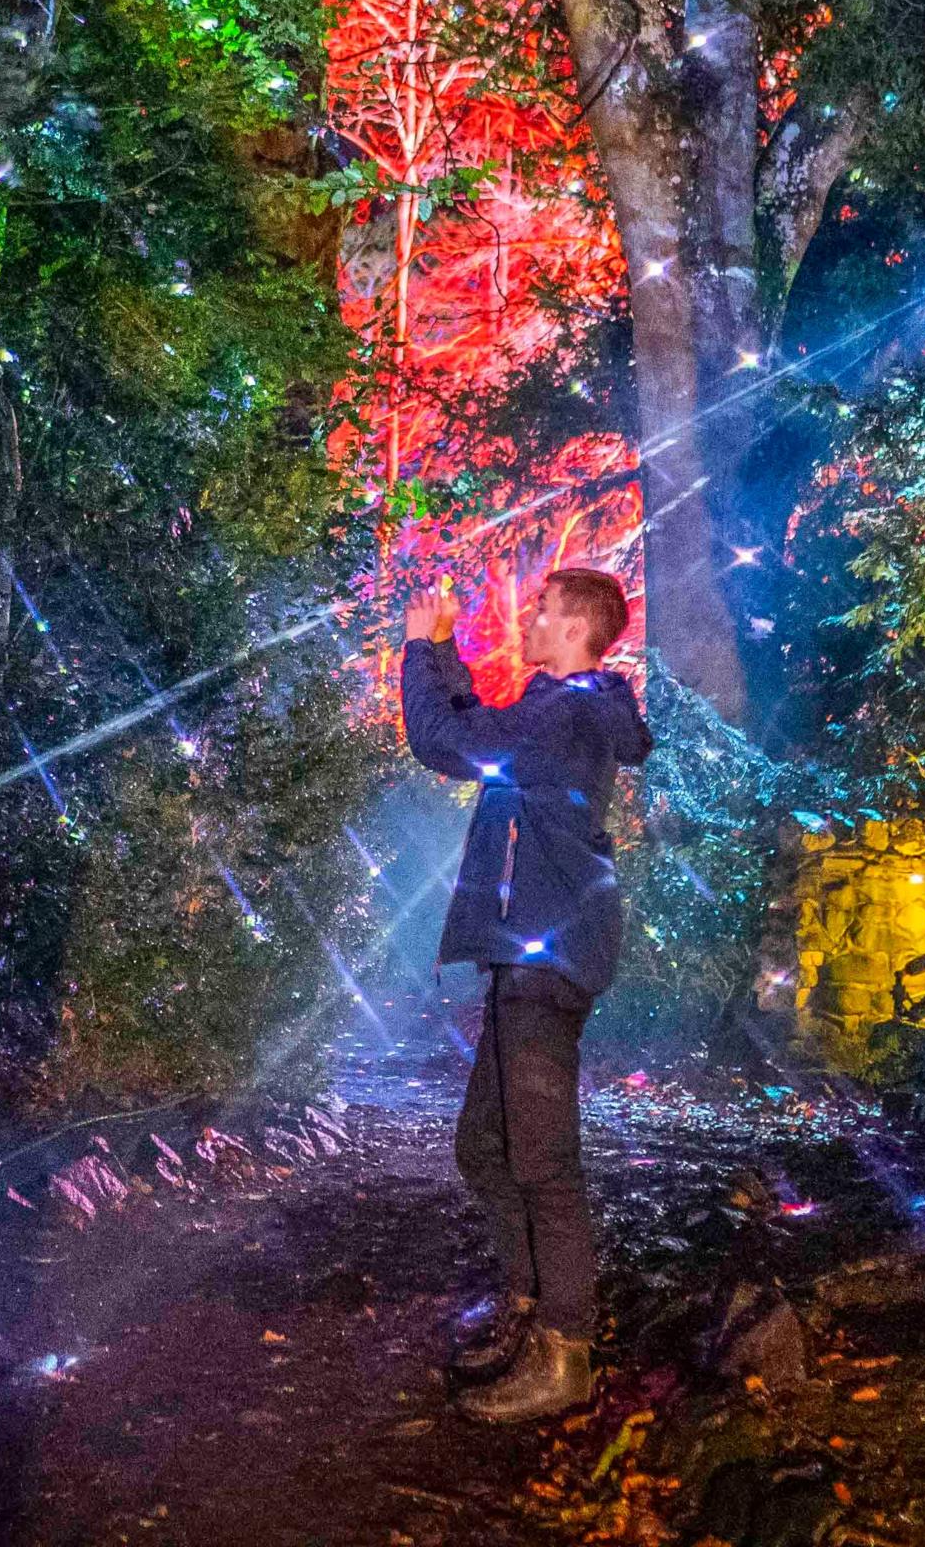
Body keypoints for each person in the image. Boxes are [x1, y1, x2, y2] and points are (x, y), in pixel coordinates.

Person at [399, 564, 654, 1423]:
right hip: (532, 954)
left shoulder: (568, 710)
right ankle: (528, 1311)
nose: (529, 624)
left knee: (542, 1161)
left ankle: (565, 1355)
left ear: (578, 630)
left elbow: (446, 743)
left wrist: (417, 648)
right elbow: (482, 727)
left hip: (548, 963)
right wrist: (440, 653)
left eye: (543, 614)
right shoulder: (562, 711)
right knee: (486, 1147)